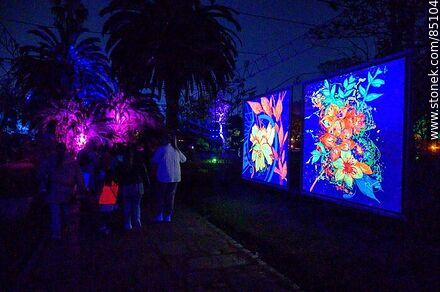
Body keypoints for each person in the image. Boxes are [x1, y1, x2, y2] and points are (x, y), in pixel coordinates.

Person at [40, 143, 86, 240]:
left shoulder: (50, 160)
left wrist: (43, 186)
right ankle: (67, 232)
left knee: (55, 214)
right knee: (67, 212)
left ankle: (56, 235)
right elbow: (79, 177)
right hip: (67, 191)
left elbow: (41, 174)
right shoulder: (72, 161)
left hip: (54, 190)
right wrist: (81, 189)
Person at [152, 133, 187, 222]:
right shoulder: (176, 150)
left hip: (163, 177)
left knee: (161, 196)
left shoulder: (162, 149)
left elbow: (154, 160)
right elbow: (184, 159)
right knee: (170, 196)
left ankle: (159, 215)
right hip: (175, 177)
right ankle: (168, 216)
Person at [115, 144, 148, 231]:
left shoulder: (121, 161)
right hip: (137, 184)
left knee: (127, 204)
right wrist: (147, 184)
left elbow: (118, 174)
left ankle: (127, 224)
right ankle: (137, 222)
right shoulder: (139, 160)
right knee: (136, 205)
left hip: (126, 185)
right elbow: (144, 172)